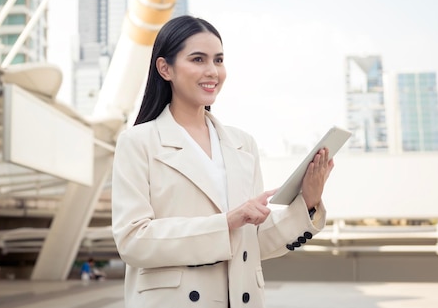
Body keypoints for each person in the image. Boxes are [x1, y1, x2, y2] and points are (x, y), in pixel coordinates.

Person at [111, 15, 334, 308]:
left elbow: (251, 243)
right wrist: (226, 223)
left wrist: (308, 201)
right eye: (198, 59)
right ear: (165, 68)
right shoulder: (138, 142)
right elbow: (133, 241)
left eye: (218, 60)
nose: (212, 71)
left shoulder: (243, 144)